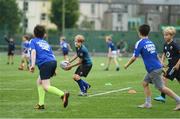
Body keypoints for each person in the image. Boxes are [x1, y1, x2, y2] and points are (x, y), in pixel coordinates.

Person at [124, 24, 180, 111]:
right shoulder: (150, 42)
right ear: (148, 32)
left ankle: (178, 100)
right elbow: (156, 55)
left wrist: (126, 65)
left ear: (139, 33)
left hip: (153, 69)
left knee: (161, 88)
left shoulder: (140, 42)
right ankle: (148, 103)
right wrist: (161, 66)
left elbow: (134, 57)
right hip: (155, 68)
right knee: (145, 83)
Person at [29, 25, 69, 110]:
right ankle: (41, 104)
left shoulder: (33, 41)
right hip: (53, 62)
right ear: (44, 34)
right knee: (39, 82)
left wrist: (32, 65)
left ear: (34, 33)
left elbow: (33, 52)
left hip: (45, 64)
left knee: (46, 86)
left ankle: (62, 94)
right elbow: (52, 55)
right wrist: (54, 69)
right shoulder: (45, 43)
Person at [154, 26, 180, 103]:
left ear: (172, 35)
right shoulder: (166, 45)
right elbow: (164, 54)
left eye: (167, 35)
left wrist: (177, 65)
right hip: (172, 66)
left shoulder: (174, 45)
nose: (165, 36)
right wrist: (162, 62)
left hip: (175, 66)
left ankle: (162, 96)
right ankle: (163, 96)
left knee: (164, 77)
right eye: (164, 35)